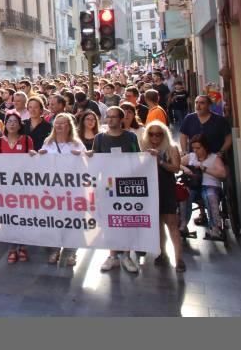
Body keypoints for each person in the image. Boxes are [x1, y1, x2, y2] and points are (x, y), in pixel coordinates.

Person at [91, 106, 141, 274]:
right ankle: (112, 255)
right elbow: (95, 161)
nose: (110, 119)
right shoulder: (99, 138)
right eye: (108, 116)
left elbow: (137, 158)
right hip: (107, 185)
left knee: (126, 220)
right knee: (109, 221)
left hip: (126, 185)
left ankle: (126, 255)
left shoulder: (131, 137)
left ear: (121, 119)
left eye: (114, 117)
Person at [37, 113, 84, 266]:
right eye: (57, 123)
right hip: (53, 189)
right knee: (55, 220)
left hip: (72, 190)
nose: (59, 126)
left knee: (73, 222)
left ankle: (71, 253)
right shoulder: (48, 142)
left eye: (62, 123)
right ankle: (55, 250)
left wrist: (82, 156)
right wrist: (38, 156)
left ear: (69, 126)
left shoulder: (76, 144)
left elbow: (88, 165)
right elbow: (41, 164)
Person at [141, 121, 186, 272]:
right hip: (151, 190)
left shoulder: (171, 148)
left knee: (172, 224)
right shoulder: (144, 148)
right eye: (151, 134)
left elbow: (175, 168)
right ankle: (162, 253)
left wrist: (159, 160)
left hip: (167, 189)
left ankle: (179, 258)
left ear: (164, 134)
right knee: (158, 225)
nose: (155, 137)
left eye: (158, 134)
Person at [0, 112, 35, 263]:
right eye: (9, 121)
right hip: (5, 187)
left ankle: (23, 246)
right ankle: (12, 248)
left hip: (23, 185)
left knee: (23, 217)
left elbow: (32, 161)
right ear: (5, 124)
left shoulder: (26, 140)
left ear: (19, 125)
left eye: (15, 121)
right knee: (8, 218)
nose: (12, 124)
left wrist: (33, 155)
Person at [180, 134, 227, 241]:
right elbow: (176, 163)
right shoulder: (191, 157)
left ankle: (215, 228)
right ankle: (183, 225)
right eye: (194, 148)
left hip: (210, 185)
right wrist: (185, 168)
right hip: (194, 186)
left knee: (210, 196)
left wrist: (204, 169)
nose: (195, 150)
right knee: (184, 195)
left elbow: (223, 174)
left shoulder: (214, 158)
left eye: (198, 148)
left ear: (205, 147)